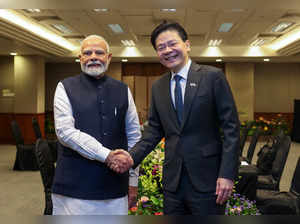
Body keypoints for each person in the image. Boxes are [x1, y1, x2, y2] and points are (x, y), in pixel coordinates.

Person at [109, 21, 240, 215]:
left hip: (208, 179)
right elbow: (153, 130)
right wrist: (131, 156)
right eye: (161, 47)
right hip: (173, 182)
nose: (167, 50)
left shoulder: (212, 77)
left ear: (187, 45)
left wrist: (227, 174)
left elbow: (231, 129)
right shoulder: (159, 87)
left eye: (172, 44)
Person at [51, 35, 141, 215]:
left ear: (109, 57)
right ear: (80, 58)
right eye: (87, 53)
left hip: (115, 187)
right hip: (73, 188)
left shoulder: (123, 90)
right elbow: (65, 132)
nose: (93, 56)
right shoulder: (64, 87)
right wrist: (107, 155)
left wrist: (133, 182)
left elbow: (134, 136)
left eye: (99, 52)